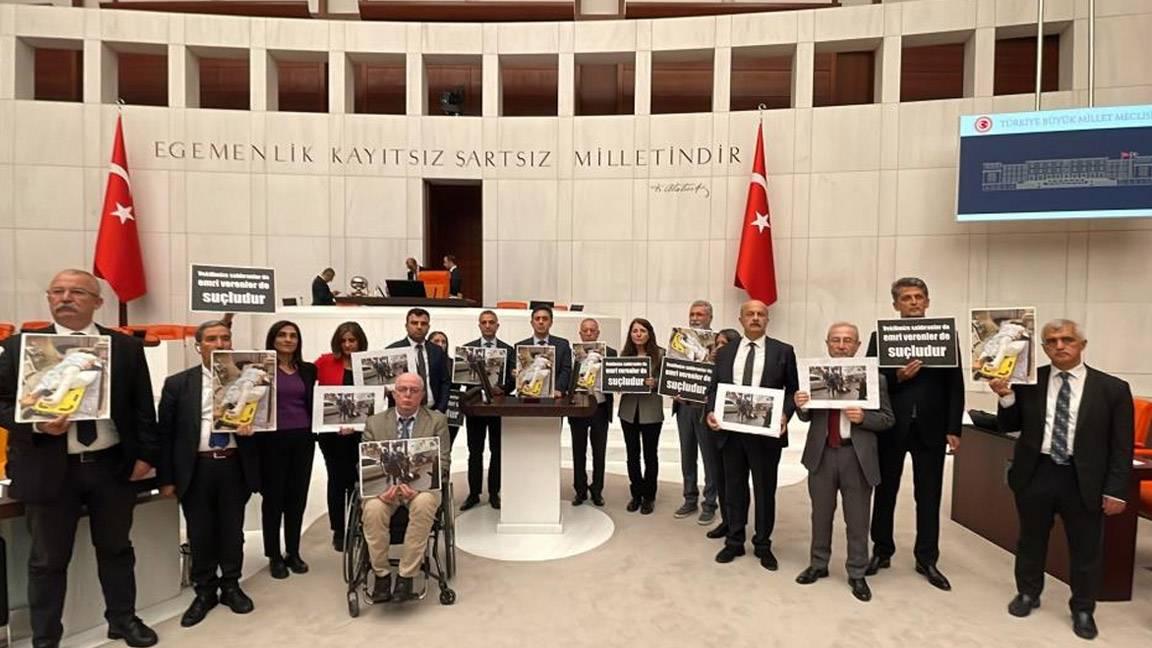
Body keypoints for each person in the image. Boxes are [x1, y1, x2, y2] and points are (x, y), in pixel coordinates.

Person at [0, 269, 160, 648]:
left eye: (76, 292)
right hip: (48, 470)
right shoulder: (21, 348)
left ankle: (122, 620)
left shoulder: (125, 348)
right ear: (49, 298)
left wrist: (146, 456)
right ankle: (45, 638)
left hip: (110, 466)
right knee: (47, 561)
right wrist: (37, 426)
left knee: (117, 549)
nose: (65, 298)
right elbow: (3, 404)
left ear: (97, 301)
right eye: (57, 291)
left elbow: (142, 410)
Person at [989, 319, 1133, 641]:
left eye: (1067, 339)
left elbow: (1121, 447)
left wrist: (1115, 490)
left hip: (1084, 478)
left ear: (1082, 344)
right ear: (1043, 348)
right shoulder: (1027, 380)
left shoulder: (1113, 389)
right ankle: (1028, 593)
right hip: (1036, 472)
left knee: (1085, 548)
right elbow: (1008, 425)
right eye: (1051, 341)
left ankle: (1083, 608)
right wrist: (1006, 396)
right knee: (1031, 540)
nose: (1059, 346)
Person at [157, 320, 259, 627]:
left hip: (232, 463)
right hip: (195, 468)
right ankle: (204, 591)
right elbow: (165, 434)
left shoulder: (250, 380)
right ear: (199, 345)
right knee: (200, 532)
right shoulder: (178, 384)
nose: (220, 343)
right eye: (212, 339)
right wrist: (166, 478)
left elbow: (266, 421)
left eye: (225, 338)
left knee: (232, 529)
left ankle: (230, 584)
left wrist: (253, 427)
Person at [865, 277, 964, 590]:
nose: (913, 302)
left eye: (919, 297)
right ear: (896, 304)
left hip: (932, 429)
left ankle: (927, 559)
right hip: (891, 426)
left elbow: (955, 386)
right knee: (885, 492)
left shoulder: (947, 337)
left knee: (929, 495)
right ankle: (881, 551)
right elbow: (870, 382)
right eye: (906, 298)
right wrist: (896, 377)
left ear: (928, 301)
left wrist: (954, 428)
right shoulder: (878, 338)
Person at [793, 322, 894, 603]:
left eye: (847, 340)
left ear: (858, 346)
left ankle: (857, 571)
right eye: (835, 340)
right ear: (827, 344)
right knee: (821, 515)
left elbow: (888, 419)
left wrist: (865, 418)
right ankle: (818, 564)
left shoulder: (876, 380)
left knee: (858, 519)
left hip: (857, 456)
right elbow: (806, 417)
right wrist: (801, 404)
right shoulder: (814, 376)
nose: (841, 345)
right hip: (822, 454)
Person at [705, 300, 798, 570]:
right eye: (750, 314)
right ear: (740, 319)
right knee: (734, 488)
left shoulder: (784, 351)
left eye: (761, 314)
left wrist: (784, 414)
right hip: (730, 433)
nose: (756, 318)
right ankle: (734, 541)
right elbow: (714, 388)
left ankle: (762, 544)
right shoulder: (725, 352)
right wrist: (711, 411)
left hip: (765, 436)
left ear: (767, 319)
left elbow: (792, 390)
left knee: (765, 490)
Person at [361, 373, 452, 603]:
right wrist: (382, 488)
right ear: (394, 394)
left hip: (421, 489)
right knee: (372, 510)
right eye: (403, 389)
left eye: (414, 390)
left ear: (422, 395)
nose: (408, 395)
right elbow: (366, 461)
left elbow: (443, 461)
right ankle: (381, 574)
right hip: (384, 489)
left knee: (424, 504)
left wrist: (420, 487)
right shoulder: (375, 422)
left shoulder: (436, 421)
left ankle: (406, 575)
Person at [259, 321, 316, 579]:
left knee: (297, 498)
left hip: (303, 439)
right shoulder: (260, 369)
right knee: (273, 500)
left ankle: (293, 552)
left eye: (293, 335)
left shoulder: (308, 370)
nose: (288, 339)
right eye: (282, 335)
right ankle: (273, 555)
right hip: (271, 441)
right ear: (273, 339)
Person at [314, 321, 369, 552]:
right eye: (343, 340)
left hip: (362, 433)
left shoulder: (369, 364)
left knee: (361, 479)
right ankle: (338, 529)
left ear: (360, 342)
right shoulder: (325, 361)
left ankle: (360, 523)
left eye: (352, 340)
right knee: (337, 480)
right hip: (332, 436)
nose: (347, 345)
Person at [672, 300, 724, 525]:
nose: (695, 318)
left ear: (710, 318)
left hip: (705, 407)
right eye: (692, 314)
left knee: (710, 458)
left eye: (700, 314)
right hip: (684, 407)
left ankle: (710, 503)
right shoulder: (679, 340)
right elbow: (672, 369)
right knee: (687, 455)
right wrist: (671, 388)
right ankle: (689, 498)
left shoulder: (719, 342)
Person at [461, 310, 516, 511]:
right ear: (479, 325)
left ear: (497, 326)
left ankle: (494, 493)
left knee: (497, 451)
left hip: (498, 408)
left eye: (491, 322)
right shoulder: (467, 350)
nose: (487, 325)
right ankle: (474, 493)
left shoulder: (508, 350)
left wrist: (502, 388)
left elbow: (513, 380)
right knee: (474, 452)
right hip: (475, 408)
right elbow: (461, 379)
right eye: (484, 322)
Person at [618, 318, 665, 515]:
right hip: (628, 411)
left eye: (642, 331)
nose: (638, 334)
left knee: (650, 455)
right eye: (634, 331)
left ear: (649, 333)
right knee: (632, 455)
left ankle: (649, 496)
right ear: (630, 334)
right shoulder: (624, 355)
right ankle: (636, 493)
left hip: (651, 411)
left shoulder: (661, 354)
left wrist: (656, 383)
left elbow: (668, 381)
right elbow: (616, 378)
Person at [568, 318, 616, 507]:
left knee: (599, 451)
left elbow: (616, 378)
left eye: (592, 330)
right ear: (580, 333)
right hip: (578, 407)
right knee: (578, 451)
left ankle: (597, 490)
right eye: (585, 331)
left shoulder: (610, 353)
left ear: (598, 333)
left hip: (600, 407)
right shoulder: (572, 354)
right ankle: (580, 490)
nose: (588, 333)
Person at [387, 308, 452, 413]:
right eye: (414, 323)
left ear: (428, 327)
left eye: (423, 323)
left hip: (433, 411)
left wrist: (441, 408)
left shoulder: (437, 351)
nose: (419, 327)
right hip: (402, 412)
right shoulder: (393, 350)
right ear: (406, 326)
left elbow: (445, 382)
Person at [514, 305, 573, 399]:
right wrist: (514, 374)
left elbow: (566, 370)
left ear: (551, 323)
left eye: (545, 319)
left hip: (554, 397)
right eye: (537, 319)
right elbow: (515, 373)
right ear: (532, 323)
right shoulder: (520, 347)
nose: (541, 322)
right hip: (527, 397)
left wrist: (559, 389)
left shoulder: (563, 345)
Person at [427, 330, 462, 444]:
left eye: (443, 342)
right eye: (436, 341)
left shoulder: (454, 363)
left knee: (447, 446)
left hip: (452, 411)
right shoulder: (425, 363)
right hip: (431, 410)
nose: (440, 344)